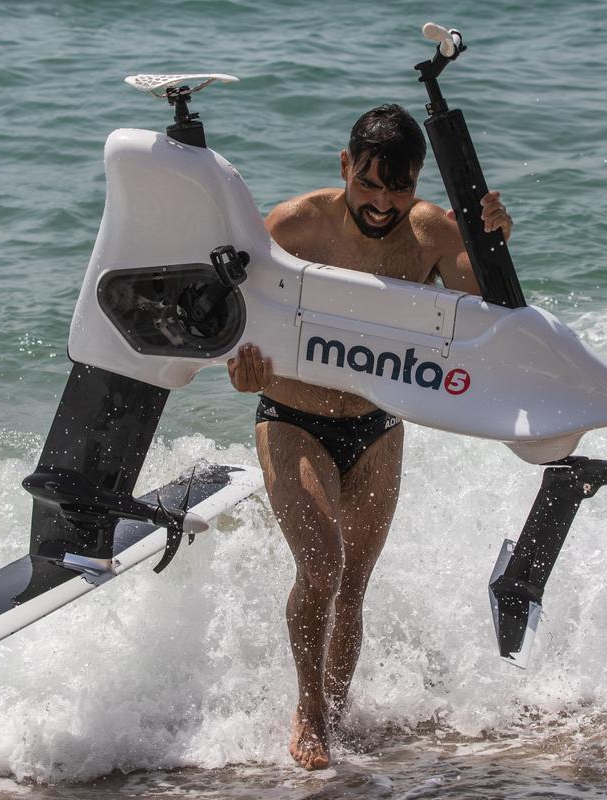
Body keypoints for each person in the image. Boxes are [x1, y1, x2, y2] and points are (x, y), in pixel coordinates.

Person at [227, 104, 512, 770]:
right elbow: (236, 325)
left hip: (378, 424)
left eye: (399, 188)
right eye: (369, 185)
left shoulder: (434, 234)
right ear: (345, 166)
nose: (383, 203)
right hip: (293, 418)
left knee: (352, 585)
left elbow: (493, 319)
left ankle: (340, 714)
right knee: (320, 566)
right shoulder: (293, 226)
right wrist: (241, 369)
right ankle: (308, 714)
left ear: (415, 183)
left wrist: (494, 239)